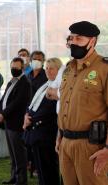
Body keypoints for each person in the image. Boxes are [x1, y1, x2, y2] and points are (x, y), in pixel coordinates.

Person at [56, 21, 108, 185]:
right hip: (66, 143)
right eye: (71, 38)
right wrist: (60, 135)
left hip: (92, 147)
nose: (73, 42)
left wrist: (107, 149)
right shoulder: (68, 69)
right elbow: (65, 105)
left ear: (92, 41)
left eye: (79, 39)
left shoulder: (104, 68)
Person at [23, 58, 62, 185]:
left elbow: (49, 111)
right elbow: (32, 104)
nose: (48, 71)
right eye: (46, 68)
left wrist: (31, 120)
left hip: (47, 136)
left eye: (51, 68)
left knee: (49, 171)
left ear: (59, 70)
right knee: (41, 171)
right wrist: (26, 115)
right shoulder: (46, 85)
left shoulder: (59, 87)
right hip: (36, 134)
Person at [0, 57, 31, 185]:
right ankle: (14, 177)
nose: (14, 69)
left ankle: (21, 180)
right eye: (12, 67)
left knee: (19, 154)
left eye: (17, 67)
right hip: (8, 122)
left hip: (16, 123)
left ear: (22, 68)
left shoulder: (25, 83)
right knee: (13, 154)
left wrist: (3, 114)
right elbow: (4, 98)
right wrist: (0, 111)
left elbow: (18, 103)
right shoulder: (11, 81)